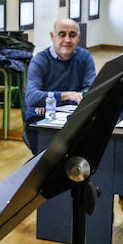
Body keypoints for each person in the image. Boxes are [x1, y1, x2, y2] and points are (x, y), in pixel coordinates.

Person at [23, 18, 96, 153]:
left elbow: (92, 90)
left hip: (72, 117)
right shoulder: (39, 60)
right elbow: (32, 97)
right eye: (62, 34)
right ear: (52, 36)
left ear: (78, 38)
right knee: (50, 161)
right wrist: (68, 95)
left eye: (72, 35)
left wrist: (49, 101)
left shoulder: (85, 57)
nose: (67, 40)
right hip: (41, 120)